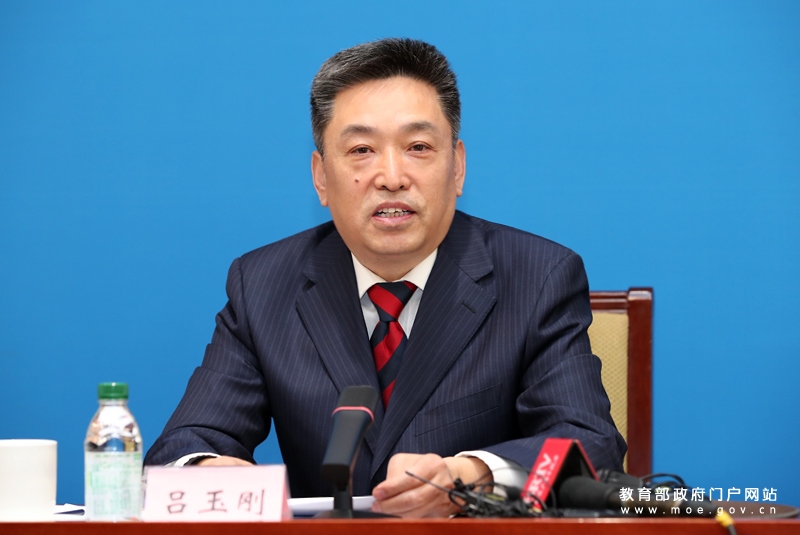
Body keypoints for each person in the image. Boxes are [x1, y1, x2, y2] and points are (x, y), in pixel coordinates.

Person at [144, 37, 626, 518]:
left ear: (457, 167)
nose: (392, 177)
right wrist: (206, 469)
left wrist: (472, 476)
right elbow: (182, 447)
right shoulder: (263, 284)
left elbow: (590, 448)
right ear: (321, 177)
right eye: (361, 149)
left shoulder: (537, 277)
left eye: (418, 147)